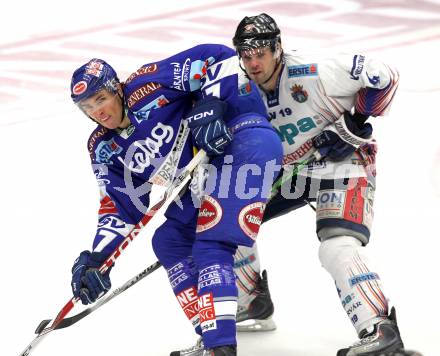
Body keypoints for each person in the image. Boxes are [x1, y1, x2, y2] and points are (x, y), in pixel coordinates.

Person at [69, 44, 283, 356]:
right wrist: (99, 258)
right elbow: (119, 206)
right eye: (87, 107)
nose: (97, 111)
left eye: (101, 99)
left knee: (211, 241)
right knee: (169, 241)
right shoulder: (103, 147)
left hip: (242, 142)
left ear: (117, 88)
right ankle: (211, 329)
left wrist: (211, 104)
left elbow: (218, 57)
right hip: (199, 182)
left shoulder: (149, 85)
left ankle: (219, 348)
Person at [229, 13, 420, 356]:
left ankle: (379, 329)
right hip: (290, 174)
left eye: (260, 53)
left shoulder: (316, 71)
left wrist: (353, 123)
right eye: (246, 54)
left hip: (342, 167)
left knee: (336, 246)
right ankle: (251, 301)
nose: (253, 62)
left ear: (278, 48)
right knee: (227, 219)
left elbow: (384, 76)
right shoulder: (239, 88)